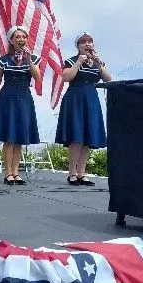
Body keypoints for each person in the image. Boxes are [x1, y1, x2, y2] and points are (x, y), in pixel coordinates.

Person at [0, 26, 41, 185]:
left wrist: (28, 59)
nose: (21, 39)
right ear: (11, 41)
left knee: (19, 138)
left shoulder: (32, 58)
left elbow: (37, 77)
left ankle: (16, 172)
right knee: (9, 138)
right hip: (7, 98)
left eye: (24, 37)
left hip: (24, 98)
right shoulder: (3, 60)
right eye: (18, 37)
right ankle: (8, 173)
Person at [55, 32, 112, 186]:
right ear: (78, 46)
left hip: (91, 101)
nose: (87, 44)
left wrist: (99, 64)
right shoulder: (71, 61)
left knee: (87, 137)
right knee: (76, 137)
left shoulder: (97, 63)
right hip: (75, 100)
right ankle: (71, 174)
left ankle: (82, 173)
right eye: (83, 42)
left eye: (90, 42)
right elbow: (66, 77)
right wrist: (79, 62)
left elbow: (108, 79)